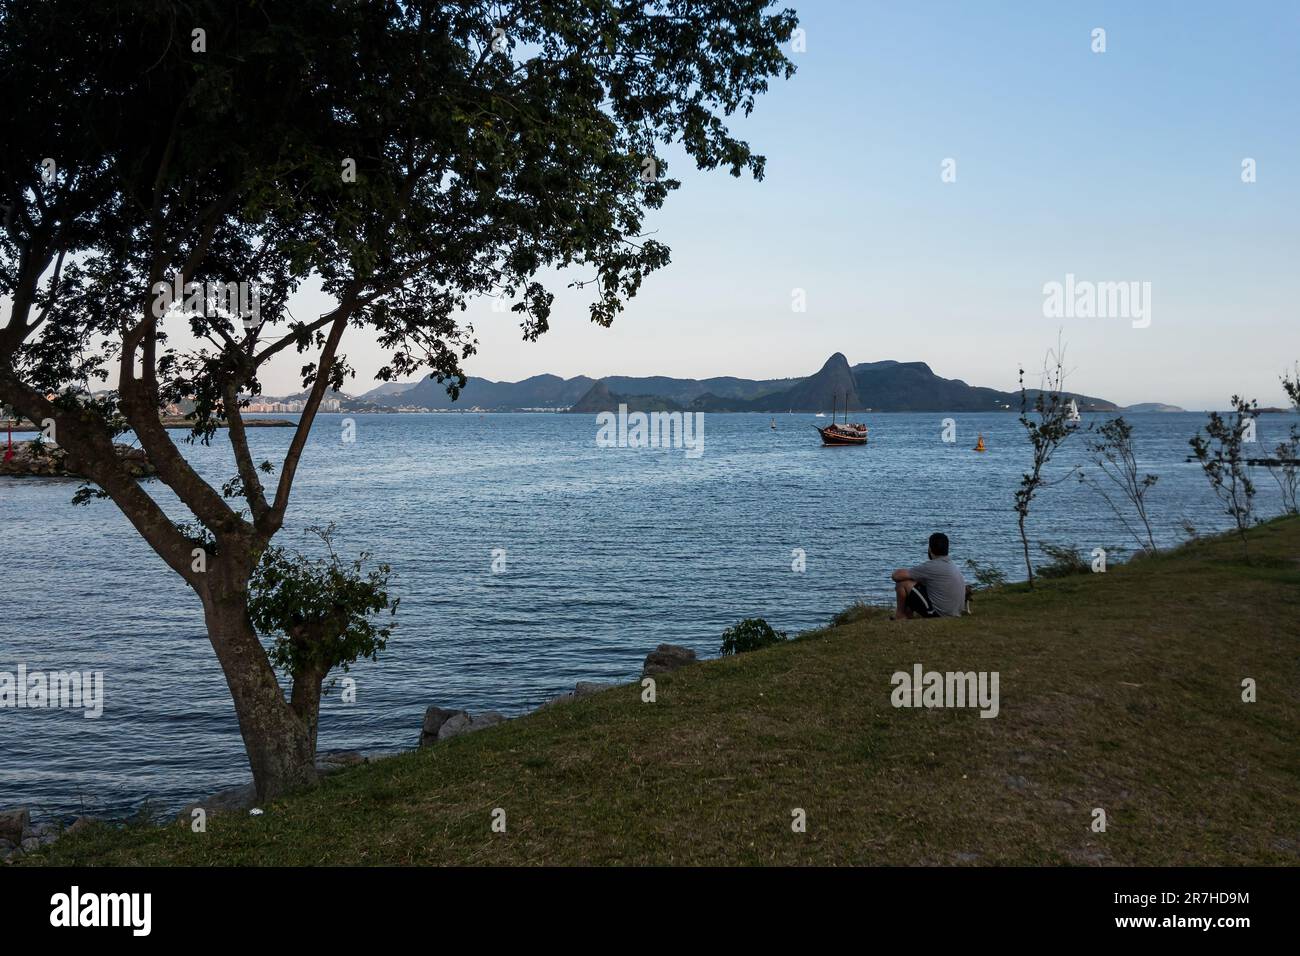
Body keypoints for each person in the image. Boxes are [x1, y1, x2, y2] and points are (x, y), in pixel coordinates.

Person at [891, 532, 967, 619]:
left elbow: (896, 576)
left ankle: (900, 615)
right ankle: (908, 614)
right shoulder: (951, 564)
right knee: (917, 584)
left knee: (903, 583)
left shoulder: (931, 566)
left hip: (940, 614)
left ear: (930, 549)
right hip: (954, 611)